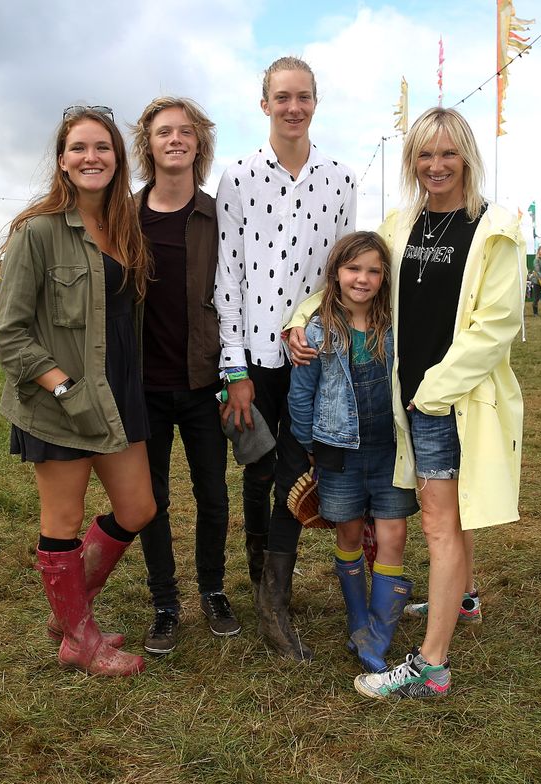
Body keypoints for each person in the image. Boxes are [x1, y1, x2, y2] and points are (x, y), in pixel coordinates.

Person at [290, 107, 524, 699]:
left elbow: (496, 326)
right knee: (453, 513)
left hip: (447, 402)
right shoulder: (403, 225)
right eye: (424, 154)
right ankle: (463, 598)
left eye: (447, 153)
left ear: (467, 157)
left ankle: (431, 666)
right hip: (409, 397)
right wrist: (300, 320)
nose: (436, 165)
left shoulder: (495, 229)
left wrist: (434, 394)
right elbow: (352, 280)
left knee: (440, 524)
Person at [0, 106, 155, 676]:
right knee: (62, 519)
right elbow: (8, 333)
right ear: (62, 160)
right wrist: (62, 388)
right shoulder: (38, 232)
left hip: (117, 394)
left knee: (138, 507)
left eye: (102, 147)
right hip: (59, 400)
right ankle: (80, 641)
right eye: (79, 148)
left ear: (118, 158)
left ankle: (70, 614)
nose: (92, 157)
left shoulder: (125, 229)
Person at [214, 55, 357, 661]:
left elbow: (340, 273)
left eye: (303, 97)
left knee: (296, 470)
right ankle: (260, 584)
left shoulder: (341, 179)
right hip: (253, 355)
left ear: (315, 103)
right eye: (282, 97)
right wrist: (234, 367)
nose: (292, 107)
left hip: (310, 354)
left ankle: (276, 598)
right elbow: (229, 278)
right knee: (258, 465)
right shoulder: (238, 177)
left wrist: (311, 327)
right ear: (264, 104)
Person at [129, 96, 238, 655]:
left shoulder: (220, 216)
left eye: (186, 131)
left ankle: (213, 590)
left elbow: (237, 291)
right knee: (151, 501)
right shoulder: (123, 217)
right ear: (148, 145)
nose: (175, 139)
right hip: (141, 385)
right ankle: (165, 604)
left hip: (203, 381)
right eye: (163, 132)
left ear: (200, 143)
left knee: (213, 494)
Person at [286, 231, 418, 673]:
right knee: (349, 534)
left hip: (391, 452)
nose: (363, 279)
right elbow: (301, 396)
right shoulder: (317, 331)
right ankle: (358, 616)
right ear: (336, 273)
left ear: (384, 278)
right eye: (353, 269)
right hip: (338, 453)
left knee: (393, 536)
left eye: (373, 271)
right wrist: (311, 448)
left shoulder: (396, 327)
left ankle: (378, 633)